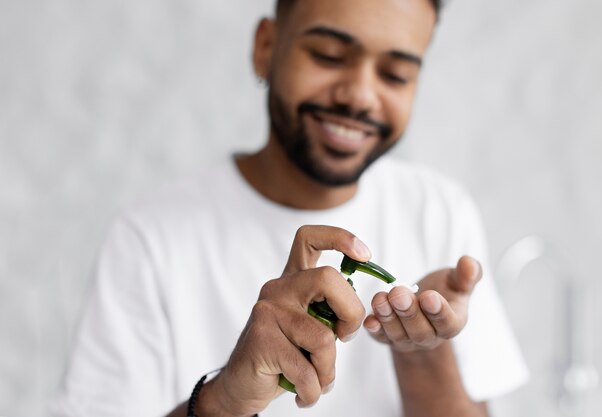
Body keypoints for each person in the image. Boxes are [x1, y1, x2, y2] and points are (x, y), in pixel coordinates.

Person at [50, 0, 528, 416]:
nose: (360, 95)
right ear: (265, 47)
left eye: (395, 75)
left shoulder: (440, 210)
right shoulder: (149, 239)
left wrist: (422, 351)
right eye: (328, 55)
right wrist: (226, 400)